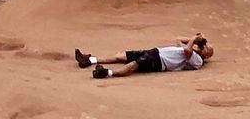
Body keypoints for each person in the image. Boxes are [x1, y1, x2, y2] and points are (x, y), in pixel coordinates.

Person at [74, 35, 213, 78]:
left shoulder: (198, 60)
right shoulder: (190, 47)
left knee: (134, 65)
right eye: (206, 46)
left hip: (160, 61)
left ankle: (106, 73)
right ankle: (89, 60)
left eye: (208, 49)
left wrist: (194, 40)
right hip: (155, 52)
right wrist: (194, 38)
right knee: (121, 56)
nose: (205, 47)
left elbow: (187, 52)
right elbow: (178, 40)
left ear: (207, 56)